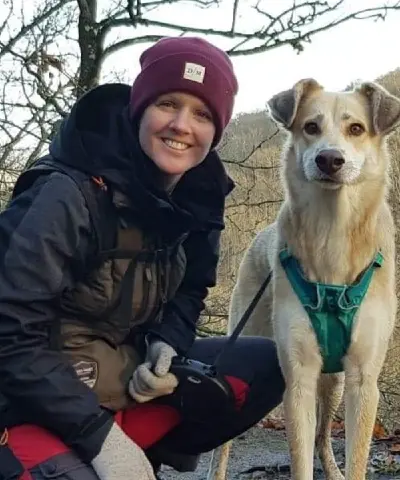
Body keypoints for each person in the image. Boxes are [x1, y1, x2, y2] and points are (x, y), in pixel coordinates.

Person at [0, 36, 285, 480]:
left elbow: (192, 290)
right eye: (167, 103)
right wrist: (99, 439)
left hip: (117, 374)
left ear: (217, 129)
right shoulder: (66, 196)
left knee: (270, 363)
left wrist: (166, 342)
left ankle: (142, 448)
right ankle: (95, 455)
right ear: (139, 108)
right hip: (23, 396)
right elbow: (9, 333)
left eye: (203, 114)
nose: (181, 125)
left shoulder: (199, 198)